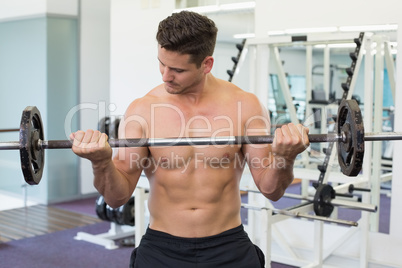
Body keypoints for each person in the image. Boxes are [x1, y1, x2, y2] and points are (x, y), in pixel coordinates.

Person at [70, 11, 309, 268]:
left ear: (206, 64)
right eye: (161, 63)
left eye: (177, 69)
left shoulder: (245, 106)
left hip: (228, 246)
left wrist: (285, 157)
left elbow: (271, 190)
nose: (164, 76)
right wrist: (101, 163)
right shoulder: (142, 111)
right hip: (162, 247)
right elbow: (117, 198)